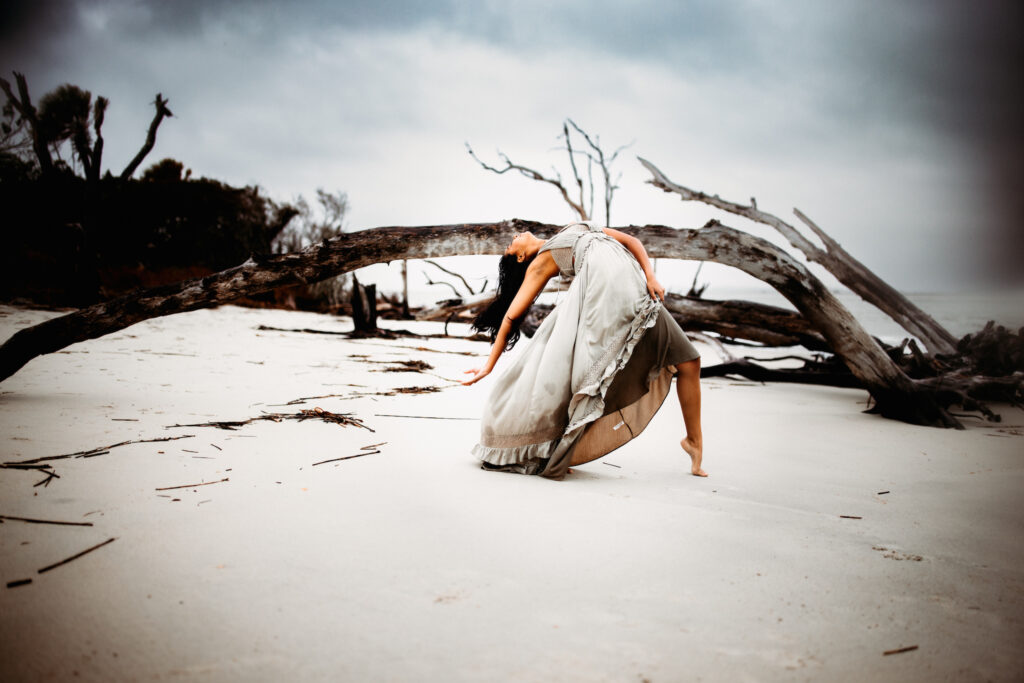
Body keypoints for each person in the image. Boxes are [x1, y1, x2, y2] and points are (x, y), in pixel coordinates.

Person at [462, 221, 706, 479]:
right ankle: (560, 448)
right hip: (602, 309)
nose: (513, 236)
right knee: (589, 384)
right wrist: (488, 365)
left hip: (639, 296)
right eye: (511, 246)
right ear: (521, 256)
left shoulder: (574, 227)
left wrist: (651, 276)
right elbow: (510, 318)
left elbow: (631, 242)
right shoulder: (540, 263)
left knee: (690, 361)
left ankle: (693, 441)